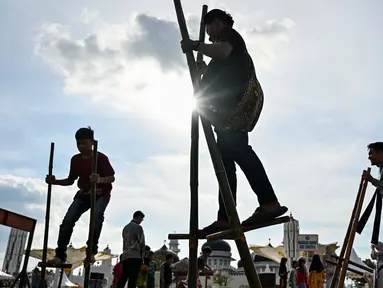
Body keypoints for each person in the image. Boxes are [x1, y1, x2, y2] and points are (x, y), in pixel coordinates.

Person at [180, 8, 287, 234]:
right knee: (225, 163)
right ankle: (226, 216)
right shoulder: (222, 49)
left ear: (217, 23)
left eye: (209, 28)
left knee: (239, 151)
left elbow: (222, 51)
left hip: (232, 108)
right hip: (223, 110)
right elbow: (216, 70)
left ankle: (269, 203)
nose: (208, 34)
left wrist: (196, 45)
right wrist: (201, 68)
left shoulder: (229, 35)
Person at [45, 127, 115, 266]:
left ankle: (91, 251)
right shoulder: (75, 160)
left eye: (84, 143)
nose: (81, 147)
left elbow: (112, 178)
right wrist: (55, 181)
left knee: (97, 216)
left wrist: (99, 180)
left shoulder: (100, 158)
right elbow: (70, 180)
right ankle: (60, 255)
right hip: (84, 194)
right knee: (68, 220)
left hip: (101, 194)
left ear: (92, 142)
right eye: (78, 143)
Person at [118, 211, 146, 288]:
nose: (141, 221)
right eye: (141, 219)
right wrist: (143, 256)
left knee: (124, 276)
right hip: (135, 256)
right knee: (133, 278)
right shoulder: (138, 227)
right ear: (139, 217)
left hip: (126, 256)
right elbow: (142, 243)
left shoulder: (125, 228)